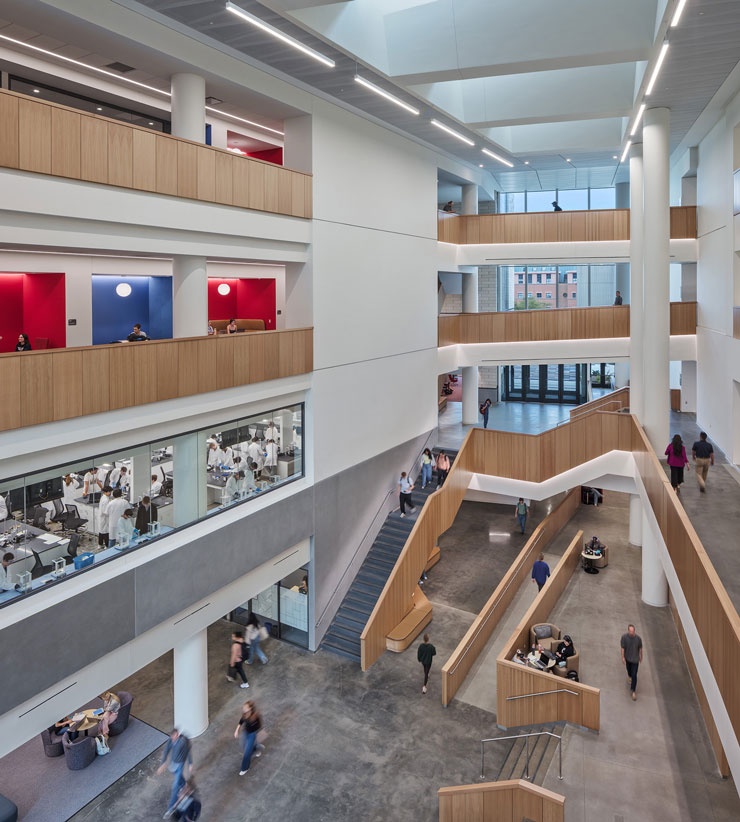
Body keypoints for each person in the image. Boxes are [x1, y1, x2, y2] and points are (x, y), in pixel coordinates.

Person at [158, 728, 192, 818]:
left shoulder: (182, 742)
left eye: (174, 737)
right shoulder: (171, 740)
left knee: (175, 786)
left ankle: (170, 809)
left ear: (177, 734)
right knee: (177, 776)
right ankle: (185, 785)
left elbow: (188, 752)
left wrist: (190, 763)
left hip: (180, 763)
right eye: (172, 738)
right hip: (173, 763)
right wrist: (163, 763)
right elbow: (166, 750)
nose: (173, 739)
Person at [234, 701, 262, 776]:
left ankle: (244, 768)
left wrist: (257, 733)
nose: (243, 708)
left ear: (250, 709)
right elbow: (240, 722)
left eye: (245, 708)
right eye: (244, 707)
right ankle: (256, 749)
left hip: (252, 734)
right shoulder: (245, 714)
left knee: (246, 753)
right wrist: (236, 731)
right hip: (245, 732)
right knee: (243, 746)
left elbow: (259, 725)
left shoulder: (256, 716)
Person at [620, 623, 643, 701]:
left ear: (634, 631)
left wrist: (640, 656)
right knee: (629, 671)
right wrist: (623, 657)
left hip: (635, 660)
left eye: (632, 631)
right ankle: (629, 676)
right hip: (628, 658)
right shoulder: (624, 637)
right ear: (628, 631)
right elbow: (623, 648)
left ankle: (633, 691)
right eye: (630, 631)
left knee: (634, 674)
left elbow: (640, 648)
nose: (631, 632)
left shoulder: (638, 639)